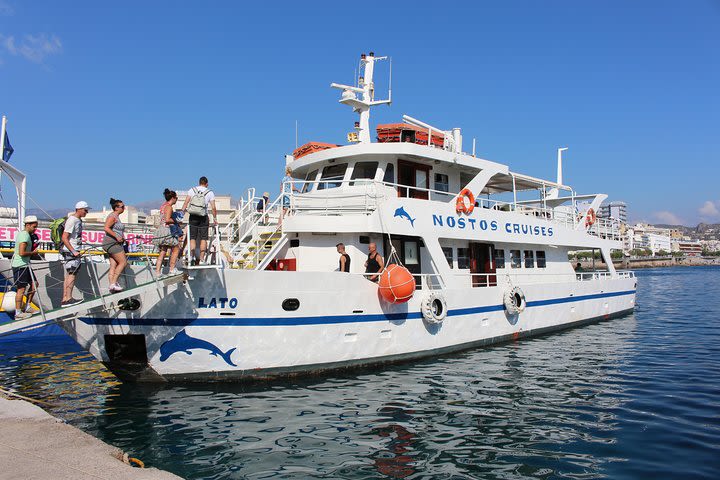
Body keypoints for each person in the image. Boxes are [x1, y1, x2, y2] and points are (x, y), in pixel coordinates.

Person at [181, 176, 217, 265]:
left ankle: (192, 256)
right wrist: (215, 219)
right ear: (207, 184)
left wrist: (181, 214)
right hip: (203, 217)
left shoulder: (192, 190)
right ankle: (201, 259)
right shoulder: (210, 192)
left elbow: (185, 203)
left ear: (199, 182)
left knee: (192, 238)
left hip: (193, 216)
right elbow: (213, 207)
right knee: (203, 238)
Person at [61, 201, 89, 306]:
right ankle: (68, 298)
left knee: (69, 275)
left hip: (73, 251)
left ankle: (65, 298)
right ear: (80, 209)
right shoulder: (72, 220)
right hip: (71, 252)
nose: (87, 212)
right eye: (85, 210)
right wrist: (73, 251)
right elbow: (64, 237)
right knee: (71, 274)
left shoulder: (77, 220)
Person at [12, 216, 39, 319]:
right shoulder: (24, 235)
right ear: (28, 225)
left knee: (34, 284)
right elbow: (22, 252)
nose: (35, 229)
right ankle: (18, 312)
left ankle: (27, 306)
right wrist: (33, 252)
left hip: (25, 265)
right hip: (20, 265)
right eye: (34, 227)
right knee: (21, 289)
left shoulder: (27, 235)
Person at [102, 198, 127, 293]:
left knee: (114, 264)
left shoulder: (116, 216)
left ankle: (112, 285)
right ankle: (113, 283)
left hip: (112, 242)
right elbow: (106, 228)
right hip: (112, 242)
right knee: (123, 262)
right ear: (116, 208)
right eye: (122, 207)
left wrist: (121, 237)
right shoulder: (113, 216)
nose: (124, 208)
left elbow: (116, 229)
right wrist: (117, 236)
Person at [155, 189, 182, 276]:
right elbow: (167, 219)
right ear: (173, 198)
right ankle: (172, 269)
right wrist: (176, 221)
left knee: (163, 251)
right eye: (176, 198)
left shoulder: (163, 206)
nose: (176, 199)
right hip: (167, 230)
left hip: (161, 229)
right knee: (176, 248)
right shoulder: (169, 207)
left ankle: (158, 272)